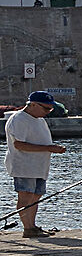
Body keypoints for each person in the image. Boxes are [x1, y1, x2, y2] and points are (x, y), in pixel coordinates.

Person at [7, 92, 67, 238]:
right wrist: (48, 148)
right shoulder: (19, 119)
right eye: (46, 108)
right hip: (24, 165)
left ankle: (32, 226)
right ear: (33, 104)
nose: (48, 112)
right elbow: (19, 145)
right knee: (25, 195)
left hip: (39, 165)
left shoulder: (39, 119)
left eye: (50, 109)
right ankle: (27, 228)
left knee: (36, 195)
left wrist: (52, 147)